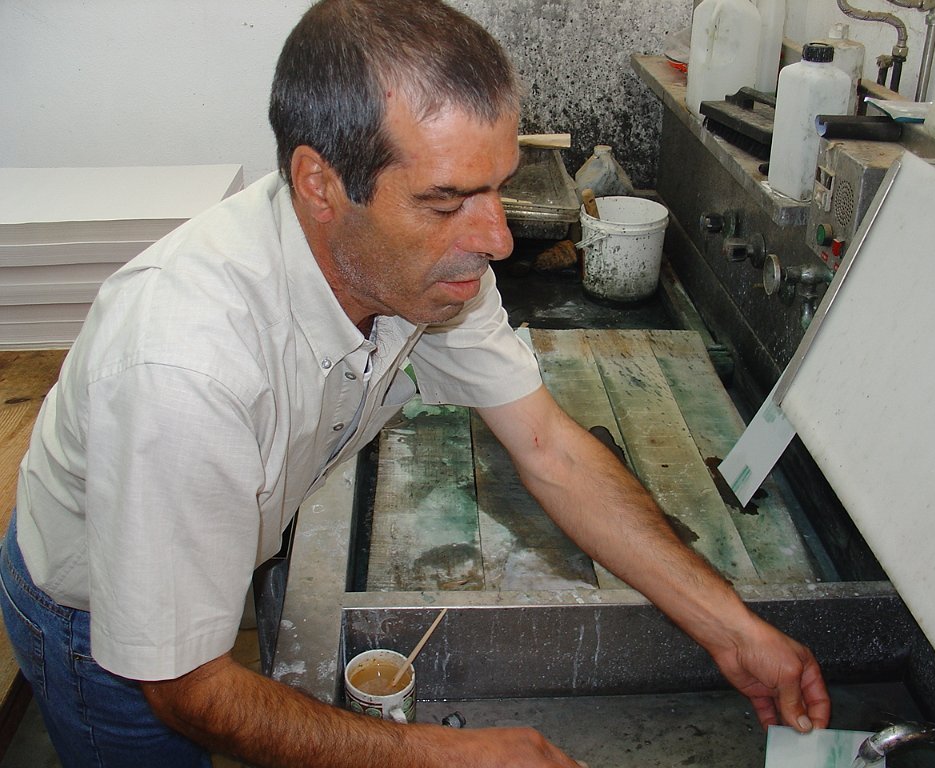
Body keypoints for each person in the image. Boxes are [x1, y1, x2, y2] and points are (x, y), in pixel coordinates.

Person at [1, 1, 831, 766]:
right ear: (321, 186)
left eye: (498, 186)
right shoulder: (187, 370)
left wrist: (732, 629)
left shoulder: (419, 272)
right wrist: (451, 755)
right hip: (95, 621)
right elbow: (185, 687)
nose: (496, 238)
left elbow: (549, 449)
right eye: (445, 201)